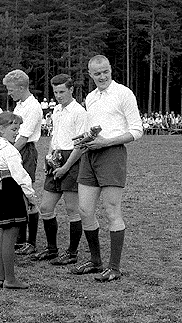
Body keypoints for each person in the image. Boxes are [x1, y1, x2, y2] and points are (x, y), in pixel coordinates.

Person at [71, 55, 143, 282]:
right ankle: (95, 261)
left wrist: (107, 142)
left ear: (111, 70)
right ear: (90, 75)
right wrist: (83, 138)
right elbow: (93, 127)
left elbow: (137, 130)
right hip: (90, 154)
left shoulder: (124, 93)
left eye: (105, 72)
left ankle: (114, 267)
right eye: (97, 73)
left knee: (112, 210)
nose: (102, 76)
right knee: (84, 210)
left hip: (112, 154)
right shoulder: (91, 97)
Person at [30, 74, 87, 265]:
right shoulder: (56, 111)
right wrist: (49, 158)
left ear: (71, 90)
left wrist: (66, 167)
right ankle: (52, 249)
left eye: (62, 91)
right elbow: (54, 137)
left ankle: (71, 253)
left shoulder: (79, 112)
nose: (59, 95)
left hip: (72, 160)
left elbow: (81, 145)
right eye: (55, 92)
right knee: (46, 207)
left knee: (72, 209)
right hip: (56, 159)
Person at [0, 111, 38, 289]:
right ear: (1, 129)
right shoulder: (10, 151)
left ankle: (2, 277)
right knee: (9, 237)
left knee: (3, 236)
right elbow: (21, 176)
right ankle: (10, 279)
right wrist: (31, 196)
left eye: (18, 129)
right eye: (14, 129)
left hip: (2, 191)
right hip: (11, 191)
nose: (17, 133)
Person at [2, 69, 42, 256]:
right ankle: (19, 237)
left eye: (11, 89)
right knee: (16, 193)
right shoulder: (19, 105)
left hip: (24, 151)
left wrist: (7, 153)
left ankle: (31, 241)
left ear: (21, 87)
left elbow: (23, 138)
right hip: (14, 149)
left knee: (26, 193)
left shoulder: (33, 106)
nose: (9, 93)